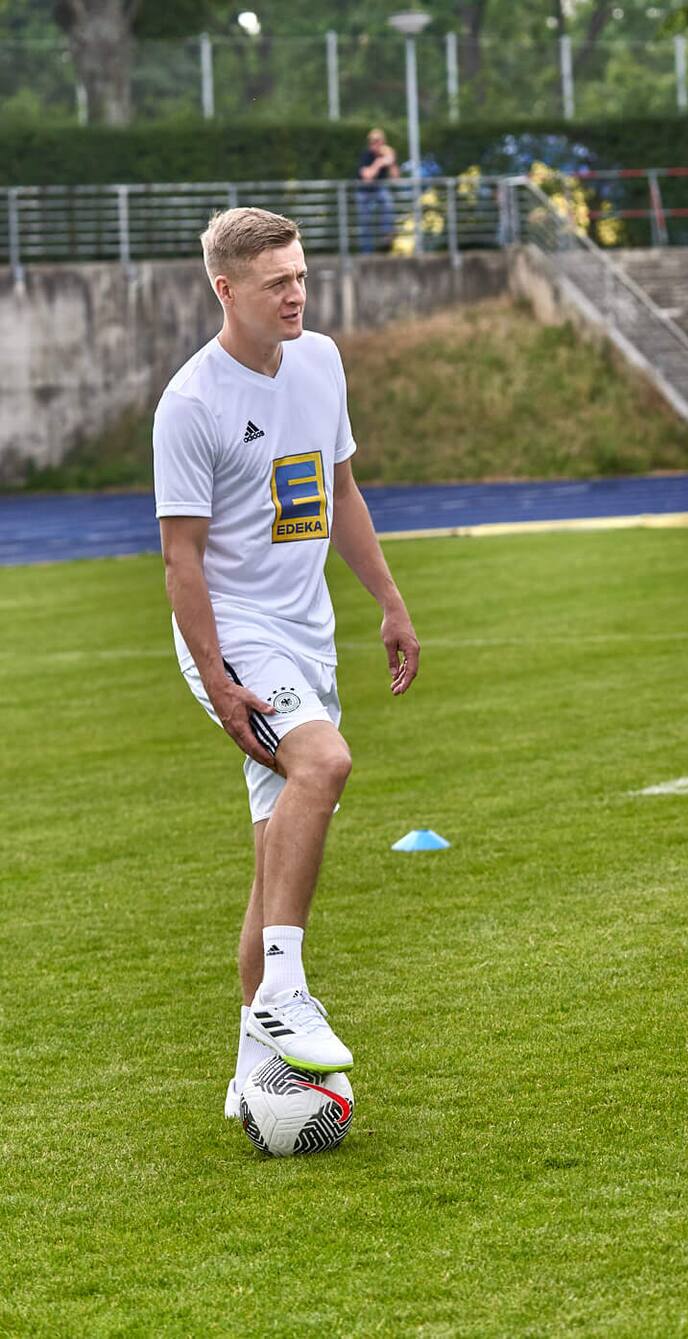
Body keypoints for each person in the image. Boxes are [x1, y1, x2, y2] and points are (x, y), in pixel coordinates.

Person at [154, 207, 420, 1116]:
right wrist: (220, 678)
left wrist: (387, 600)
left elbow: (338, 487)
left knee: (274, 859)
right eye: (276, 282)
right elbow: (180, 557)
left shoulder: (322, 361)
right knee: (327, 762)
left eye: (301, 275)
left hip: (307, 639)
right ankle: (284, 992)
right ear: (226, 290)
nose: (296, 293)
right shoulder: (192, 403)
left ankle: (246, 1068)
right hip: (235, 641)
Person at [356, 128, 399, 254]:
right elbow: (367, 177)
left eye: (379, 141)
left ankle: (387, 235)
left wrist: (391, 161)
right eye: (374, 141)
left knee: (388, 202)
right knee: (365, 222)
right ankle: (366, 252)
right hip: (364, 192)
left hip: (379, 190)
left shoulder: (385, 155)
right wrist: (379, 163)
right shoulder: (366, 155)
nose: (376, 144)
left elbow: (395, 178)